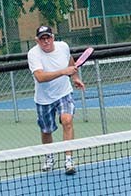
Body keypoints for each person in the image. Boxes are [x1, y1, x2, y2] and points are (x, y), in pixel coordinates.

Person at [27, 25, 85, 175]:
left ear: (53, 37)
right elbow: (40, 77)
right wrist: (63, 72)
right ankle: (49, 156)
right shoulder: (33, 54)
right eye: (42, 39)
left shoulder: (63, 47)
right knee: (46, 130)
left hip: (64, 93)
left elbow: (70, 61)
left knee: (67, 120)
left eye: (48, 37)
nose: (46, 41)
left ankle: (68, 160)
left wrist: (75, 77)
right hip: (43, 99)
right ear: (37, 40)